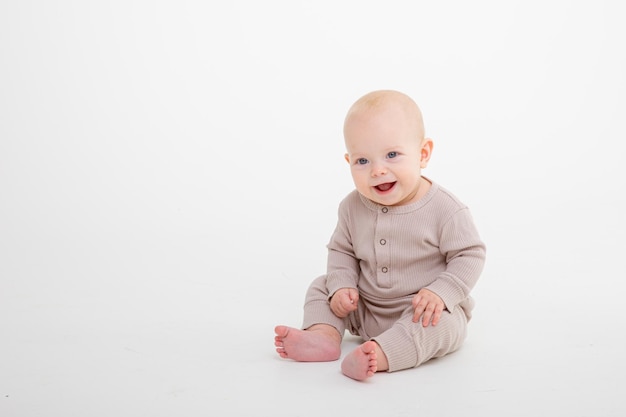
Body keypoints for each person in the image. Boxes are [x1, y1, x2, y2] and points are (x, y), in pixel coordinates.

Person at [274, 90, 486, 381]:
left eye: (392, 155)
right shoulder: (351, 206)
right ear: (348, 160)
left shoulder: (444, 208)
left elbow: (470, 253)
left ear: (423, 154)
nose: (377, 170)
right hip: (364, 305)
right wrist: (342, 287)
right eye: (362, 161)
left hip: (421, 310)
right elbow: (341, 251)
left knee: (445, 325)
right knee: (322, 285)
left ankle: (382, 354)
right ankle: (323, 335)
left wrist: (441, 291)